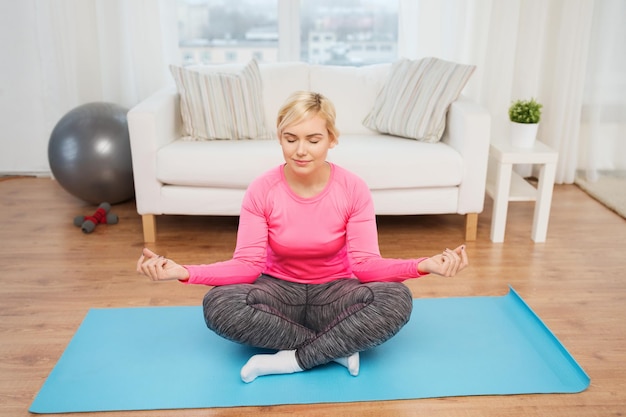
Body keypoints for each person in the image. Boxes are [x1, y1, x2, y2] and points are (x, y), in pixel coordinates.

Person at [137, 91, 469, 383]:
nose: (301, 150)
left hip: (337, 293)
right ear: (279, 138)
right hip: (277, 293)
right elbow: (246, 266)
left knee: (396, 299)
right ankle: (336, 349)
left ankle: (294, 359)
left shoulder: (353, 188)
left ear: (332, 139)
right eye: (290, 138)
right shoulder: (262, 189)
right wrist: (184, 272)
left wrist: (423, 265)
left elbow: (366, 266)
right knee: (218, 305)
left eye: (313, 139)